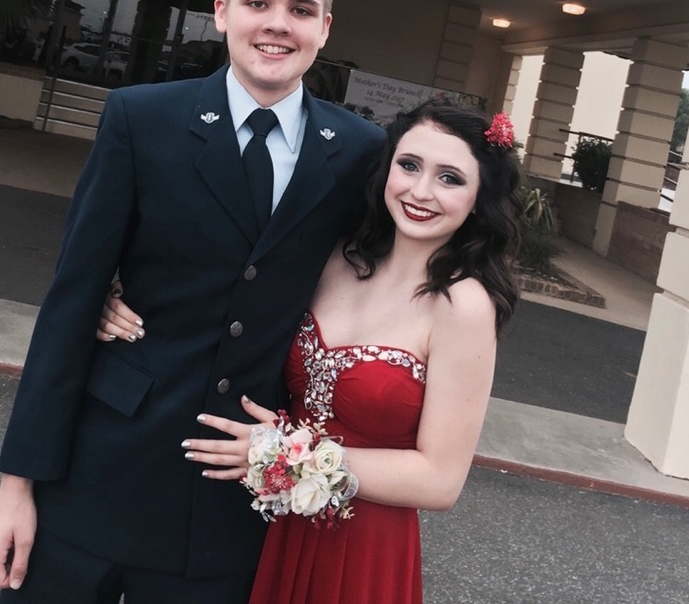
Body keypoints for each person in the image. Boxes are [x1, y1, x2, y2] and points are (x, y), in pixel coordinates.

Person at [0, 0, 386, 603]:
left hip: (230, 506)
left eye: (301, 9)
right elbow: (71, 304)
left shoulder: (359, 151)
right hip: (96, 475)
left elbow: (379, 279)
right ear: (223, 13)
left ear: (325, 27)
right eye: (257, 2)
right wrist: (16, 486)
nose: (277, 24)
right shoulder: (141, 119)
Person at [99, 100, 521, 604]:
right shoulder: (334, 260)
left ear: (479, 199)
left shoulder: (463, 305)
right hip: (266, 527)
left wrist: (280, 455)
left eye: (450, 178)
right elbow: (225, 303)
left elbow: (440, 480)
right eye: (409, 165)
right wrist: (112, 299)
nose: (421, 191)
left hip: (363, 544)